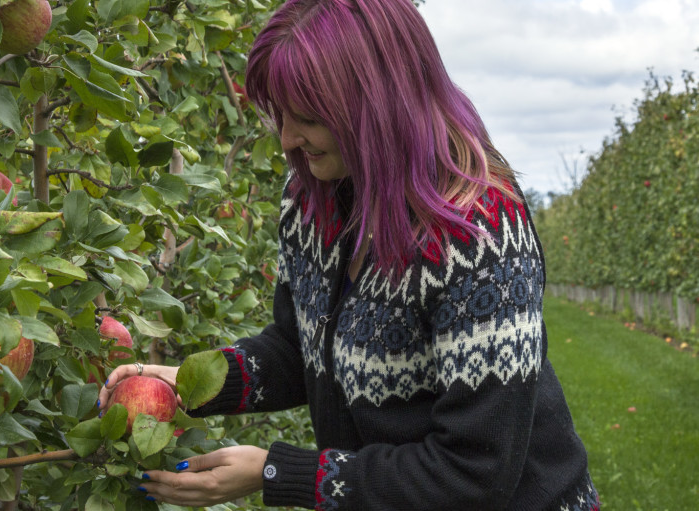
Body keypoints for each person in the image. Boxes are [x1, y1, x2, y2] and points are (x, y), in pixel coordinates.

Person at [98, 0, 600, 509]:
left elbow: (475, 470)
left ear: (377, 110)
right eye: (282, 116)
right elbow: (303, 350)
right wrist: (191, 384)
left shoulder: (479, 231)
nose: (290, 138)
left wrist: (278, 473)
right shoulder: (312, 201)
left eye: (309, 119)